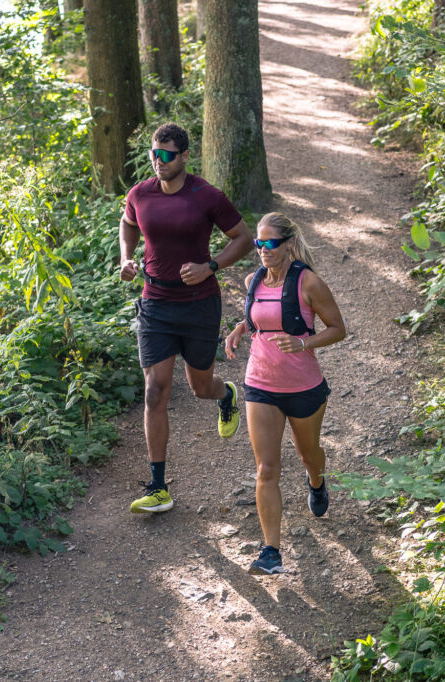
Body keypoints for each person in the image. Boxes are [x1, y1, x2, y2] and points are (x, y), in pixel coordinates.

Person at [119, 123, 254, 514]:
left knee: (199, 387)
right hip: (156, 304)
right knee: (155, 390)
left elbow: (243, 238)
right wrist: (126, 259)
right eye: (153, 154)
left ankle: (225, 395)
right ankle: (158, 486)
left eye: (166, 155)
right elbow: (127, 225)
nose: (157, 162)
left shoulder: (206, 196)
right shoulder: (140, 194)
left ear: (183, 156)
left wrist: (210, 265)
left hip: (198, 305)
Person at [224, 212, 346, 574]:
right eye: (259, 243)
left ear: (288, 243)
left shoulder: (309, 283)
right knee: (266, 468)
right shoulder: (253, 280)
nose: (262, 249)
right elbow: (255, 317)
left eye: (270, 243)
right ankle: (271, 552)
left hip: (303, 387)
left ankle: (317, 482)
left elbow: (338, 329)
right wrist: (238, 330)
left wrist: (303, 342)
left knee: (309, 456)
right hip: (260, 384)